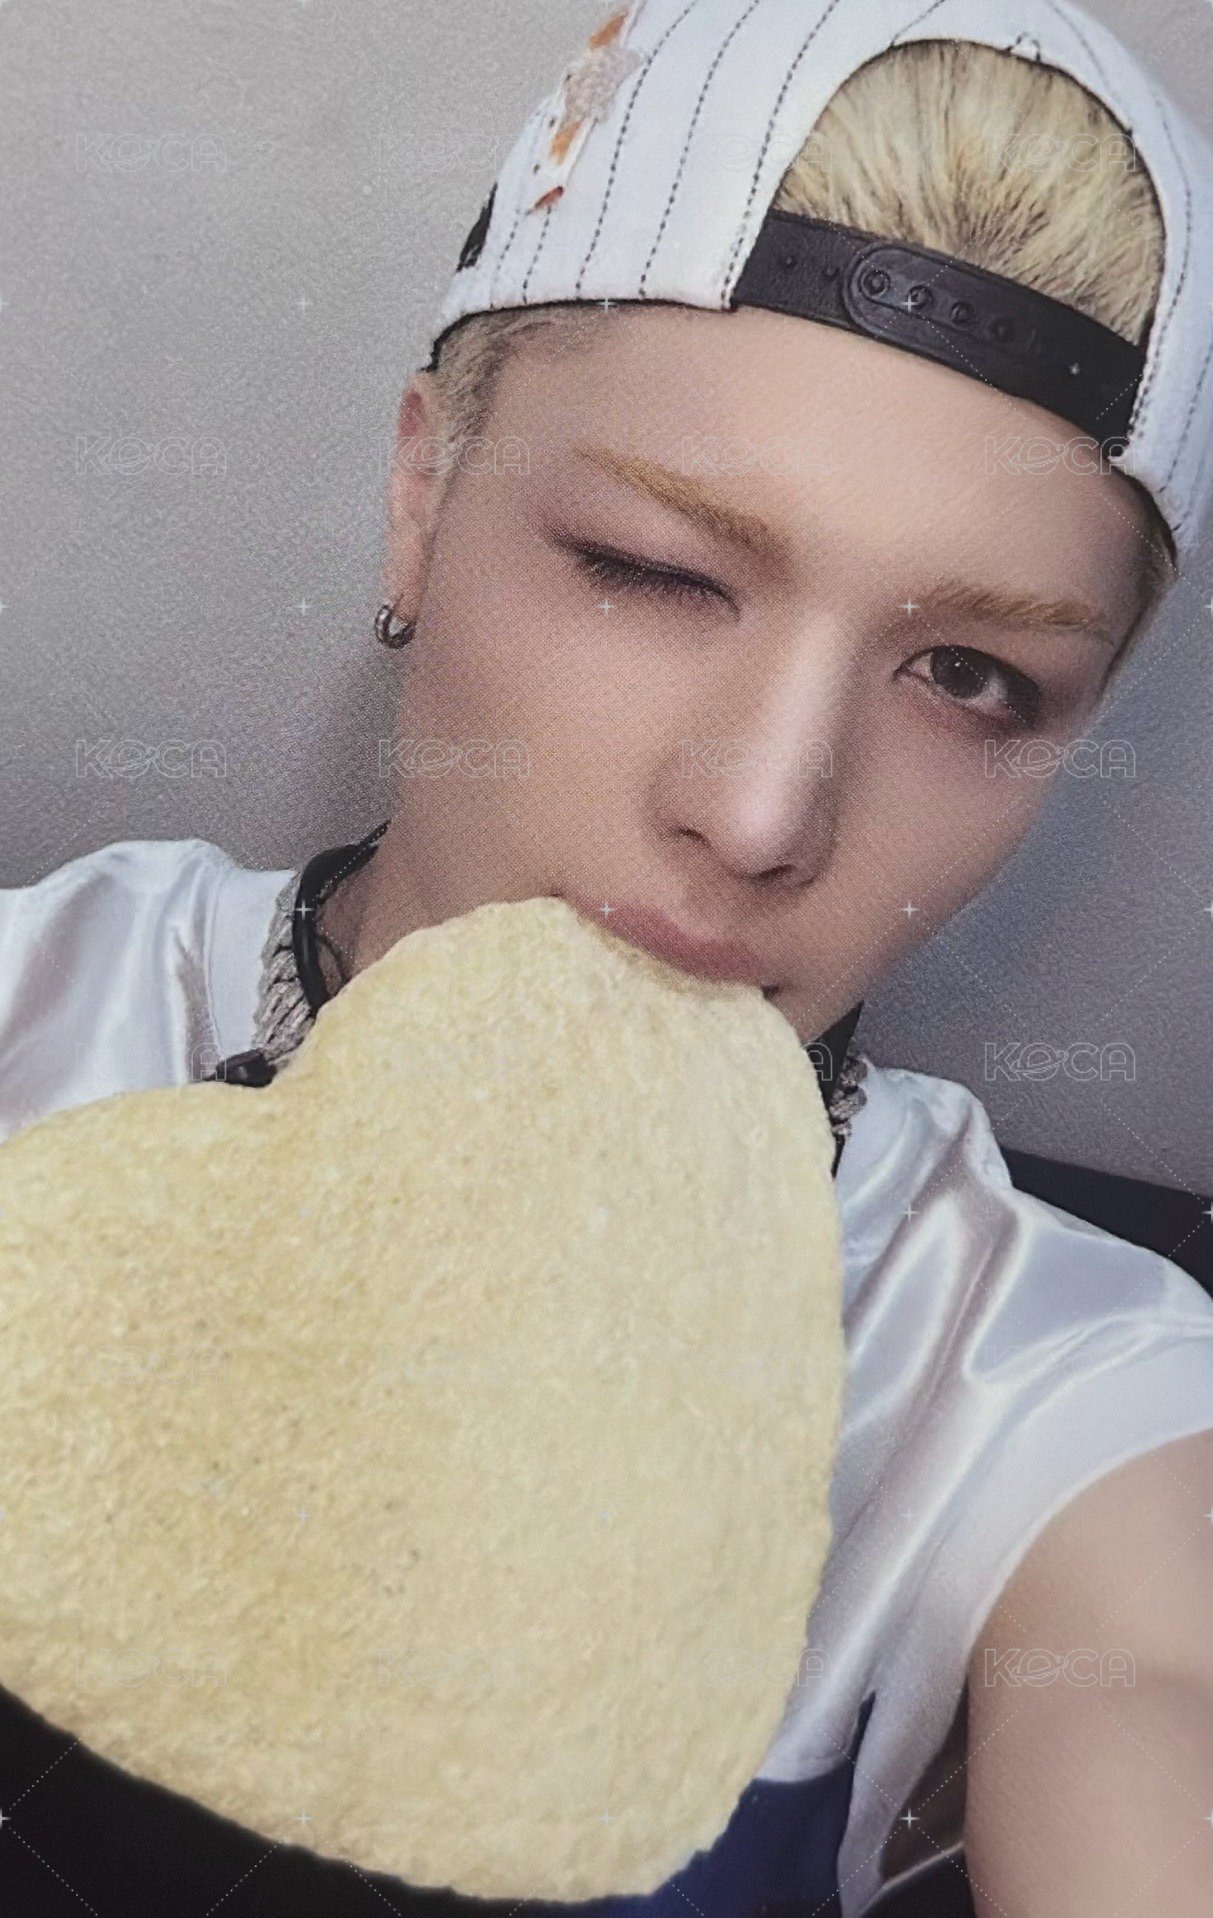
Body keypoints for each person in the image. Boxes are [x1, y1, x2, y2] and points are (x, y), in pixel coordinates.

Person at [1, 2, 1211, 1914]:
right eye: (655, 569)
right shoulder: (32, 1019)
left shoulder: (1038, 1385)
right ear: (423, 497)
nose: (760, 810)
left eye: (969, 675)